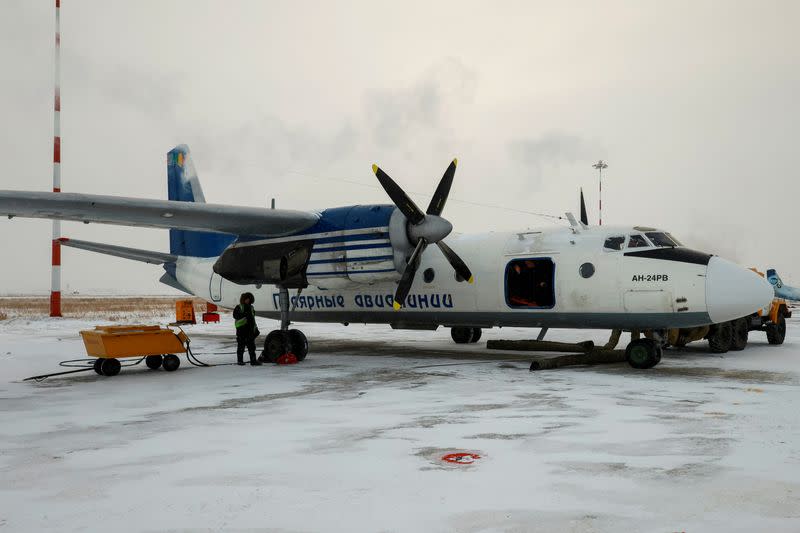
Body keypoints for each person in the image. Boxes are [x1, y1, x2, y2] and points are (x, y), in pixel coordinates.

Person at [233, 292, 261, 366]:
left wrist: (255, 328)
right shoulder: (239, 307)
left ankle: (253, 361)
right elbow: (235, 316)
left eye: (249, 299)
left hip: (250, 330)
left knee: (251, 347)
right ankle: (240, 361)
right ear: (244, 299)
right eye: (247, 299)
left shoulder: (251, 308)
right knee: (241, 347)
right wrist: (245, 314)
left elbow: (252, 319)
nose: (248, 300)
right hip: (241, 330)